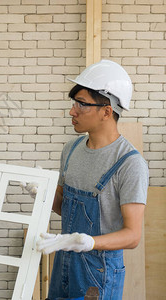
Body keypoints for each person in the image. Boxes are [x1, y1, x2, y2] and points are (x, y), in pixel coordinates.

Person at [36, 60, 149, 300]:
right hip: (63, 264)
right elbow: (63, 208)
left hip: (99, 274)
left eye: (82, 104)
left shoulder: (129, 163)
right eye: (74, 103)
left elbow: (132, 235)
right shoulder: (71, 149)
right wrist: (42, 194)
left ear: (107, 111)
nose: (72, 111)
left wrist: (88, 242)